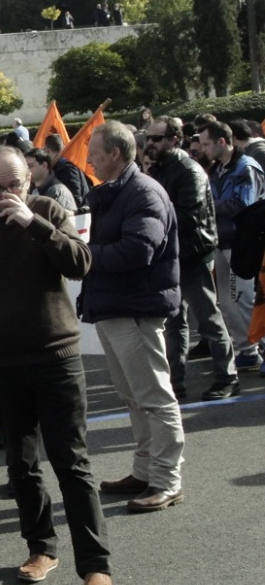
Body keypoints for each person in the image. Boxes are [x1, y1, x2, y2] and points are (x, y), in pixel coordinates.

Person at [0, 146, 113, 585]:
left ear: (29, 180)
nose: (5, 194)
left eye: (14, 185)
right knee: (20, 464)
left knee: (71, 463)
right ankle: (41, 547)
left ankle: (95, 566)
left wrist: (33, 223)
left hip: (56, 355)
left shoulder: (48, 210)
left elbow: (80, 263)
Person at [82, 122, 185, 513]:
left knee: (154, 398)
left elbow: (137, 251)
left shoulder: (142, 193)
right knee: (134, 397)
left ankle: (166, 480)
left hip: (135, 309)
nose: (88, 160)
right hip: (117, 308)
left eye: (94, 152)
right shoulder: (117, 192)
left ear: (115, 153)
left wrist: (83, 255)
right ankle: (145, 472)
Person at [144, 116, 238, 400]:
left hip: (192, 253)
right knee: (173, 321)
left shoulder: (188, 170)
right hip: (172, 254)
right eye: (148, 138)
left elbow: (189, 216)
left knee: (207, 318)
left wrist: (153, 214)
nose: (150, 143)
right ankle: (176, 382)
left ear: (174, 139)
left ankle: (227, 377)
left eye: (156, 138)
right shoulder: (160, 169)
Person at [201, 119, 265, 371]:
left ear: (222, 141)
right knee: (228, 303)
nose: (203, 149)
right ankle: (247, 350)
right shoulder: (217, 169)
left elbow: (243, 205)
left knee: (245, 299)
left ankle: (260, 347)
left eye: (207, 144)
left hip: (243, 244)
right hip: (222, 241)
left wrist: (206, 204)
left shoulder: (245, 167)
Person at [42, 133, 91, 210]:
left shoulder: (67, 168)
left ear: (47, 150)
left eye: (44, 150)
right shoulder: (58, 166)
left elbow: (76, 198)